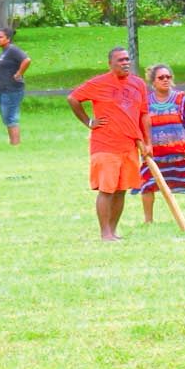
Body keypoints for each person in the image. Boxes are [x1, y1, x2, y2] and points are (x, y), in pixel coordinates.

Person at [66, 47, 151, 241]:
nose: (125, 63)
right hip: (105, 145)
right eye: (120, 60)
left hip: (129, 145)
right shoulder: (98, 83)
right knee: (107, 189)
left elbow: (144, 114)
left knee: (121, 189)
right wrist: (89, 122)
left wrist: (148, 142)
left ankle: (113, 231)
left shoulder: (138, 84)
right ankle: (105, 233)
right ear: (110, 64)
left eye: (127, 59)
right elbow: (73, 98)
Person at [133, 64, 185, 223]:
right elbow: (140, 123)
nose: (165, 80)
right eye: (161, 77)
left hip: (182, 153)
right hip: (155, 155)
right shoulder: (145, 102)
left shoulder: (182, 98)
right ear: (153, 81)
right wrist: (145, 144)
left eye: (168, 77)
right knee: (147, 184)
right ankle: (148, 221)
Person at [0, 27, 31, 145]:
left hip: (11, 90)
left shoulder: (12, 49)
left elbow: (27, 60)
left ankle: (15, 144)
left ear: (8, 39)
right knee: (7, 117)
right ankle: (13, 142)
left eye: (1, 37)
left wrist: (19, 73)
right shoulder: (4, 51)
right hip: (2, 90)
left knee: (11, 117)